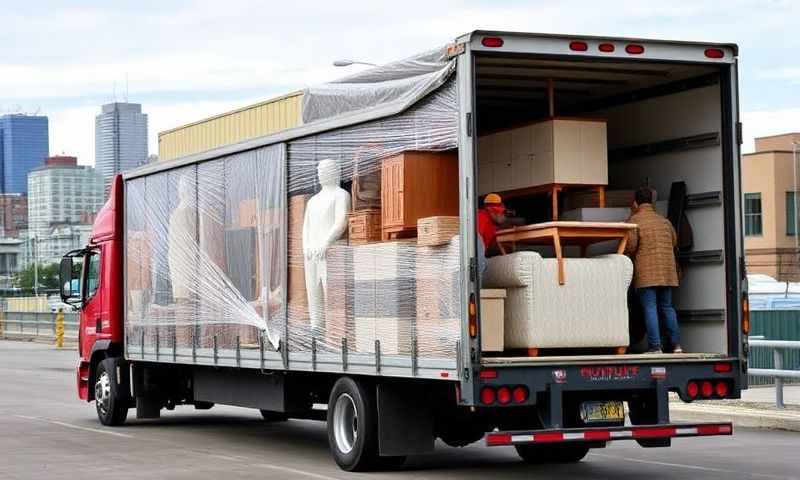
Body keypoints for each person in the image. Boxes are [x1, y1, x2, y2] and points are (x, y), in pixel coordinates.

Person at [625, 186, 683, 354]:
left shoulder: (635, 222)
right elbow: (674, 242)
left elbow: (630, 246)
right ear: (651, 202)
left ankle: (655, 346)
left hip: (647, 274)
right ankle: (676, 345)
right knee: (667, 307)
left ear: (635, 203)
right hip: (667, 273)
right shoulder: (664, 221)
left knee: (650, 307)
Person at [476, 193, 507, 274]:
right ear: (491, 211)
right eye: (501, 212)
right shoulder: (481, 217)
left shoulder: (492, 224)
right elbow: (476, 240)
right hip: (474, 259)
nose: (503, 216)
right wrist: (480, 262)